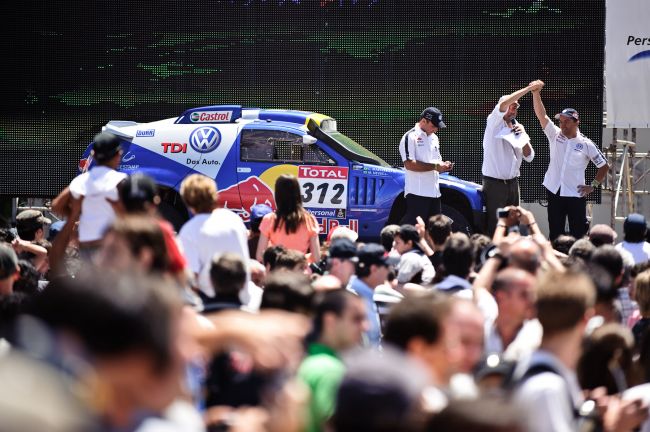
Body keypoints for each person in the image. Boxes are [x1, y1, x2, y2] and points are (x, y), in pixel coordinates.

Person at [530, 80, 609, 241]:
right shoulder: (555, 134)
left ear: (576, 122)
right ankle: (556, 264)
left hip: (576, 193)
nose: (563, 124)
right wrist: (536, 93)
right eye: (561, 121)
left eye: (566, 121)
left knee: (578, 234)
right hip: (554, 191)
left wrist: (592, 186)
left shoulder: (586, 144)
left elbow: (604, 166)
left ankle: (577, 263)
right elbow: (541, 115)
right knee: (555, 233)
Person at [298, 289, 368, 432]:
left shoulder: (303, 357)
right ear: (330, 321)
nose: (365, 327)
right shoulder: (330, 371)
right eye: (356, 319)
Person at [55, 132, 128, 258]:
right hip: (110, 247)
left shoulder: (81, 181)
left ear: (93, 155)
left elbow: (56, 205)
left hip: (86, 246)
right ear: (118, 155)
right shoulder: (121, 181)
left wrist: (73, 217)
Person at [178, 174, 249, 298]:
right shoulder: (234, 219)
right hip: (244, 297)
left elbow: (191, 277)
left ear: (188, 201)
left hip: (210, 302)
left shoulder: (189, 230)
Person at [482, 84, 537, 236]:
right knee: (496, 224)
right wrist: (528, 90)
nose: (513, 110)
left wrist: (524, 138)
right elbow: (503, 104)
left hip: (513, 183)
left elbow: (529, 156)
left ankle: (511, 255)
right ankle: (495, 254)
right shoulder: (494, 122)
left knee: (514, 224)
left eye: (515, 108)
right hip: (495, 184)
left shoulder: (518, 126)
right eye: (511, 107)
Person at [399, 107, 454, 225]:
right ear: (424, 121)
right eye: (433, 126)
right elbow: (409, 164)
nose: (436, 130)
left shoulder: (434, 138)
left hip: (435, 192)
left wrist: (444, 166)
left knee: (436, 232)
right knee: (414, 232)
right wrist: (435, 167)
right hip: (417, 193)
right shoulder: (410, 136)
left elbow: (436, 162)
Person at [255, 174, 320, 263]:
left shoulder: (269, 219)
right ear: (298, 193)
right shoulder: (310, 220)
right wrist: (300, 258)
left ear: (277, 195)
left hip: (277, 272)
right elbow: (316, 258)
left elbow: (260, 256)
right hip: (300, 272)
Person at [349, 243, 390, 347]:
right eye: (386, 266)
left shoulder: (366, 293)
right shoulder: (352, 298)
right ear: (374, 269)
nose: (389, 270)